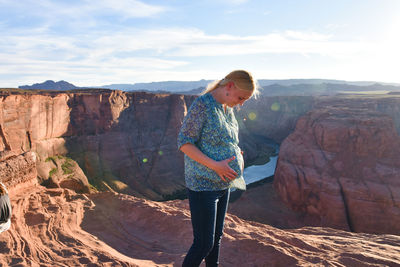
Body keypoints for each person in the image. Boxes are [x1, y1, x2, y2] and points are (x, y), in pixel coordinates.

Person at [177, 70, 259, 267]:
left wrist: (235, 154)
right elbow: (184, 143)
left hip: (223, 184)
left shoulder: (226, 107)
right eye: (241, 98)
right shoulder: (202, 105)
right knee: (203, 244)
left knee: (216, 239)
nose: (241, 103)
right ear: (229, 86)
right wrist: (216, 165)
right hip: (203, 185)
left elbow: (224, 140)